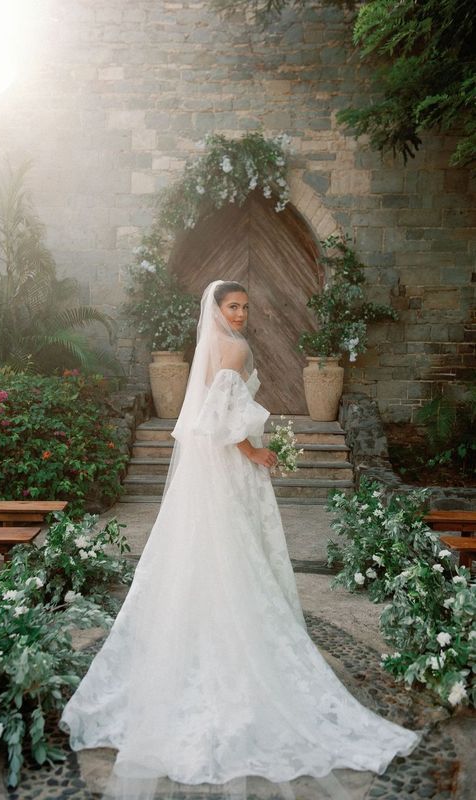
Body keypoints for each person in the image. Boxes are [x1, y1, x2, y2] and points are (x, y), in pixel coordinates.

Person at [59, 279, 423, 800]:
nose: (241, 315)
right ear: (218, 308)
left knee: (202, 556)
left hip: (206, 473)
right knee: (235, 554)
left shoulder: (211, 348)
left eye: (246, 307)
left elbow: (200, 420)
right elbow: (221, 421)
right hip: (229, 467)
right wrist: (258, 454)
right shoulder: (235, 348)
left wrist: (248, 447)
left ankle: (197, 640)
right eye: (233, 306)